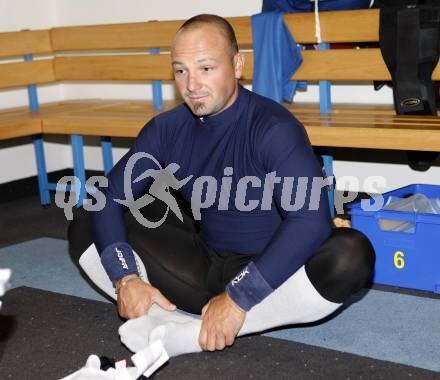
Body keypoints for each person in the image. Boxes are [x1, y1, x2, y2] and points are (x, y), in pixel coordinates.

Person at [68, 14, 375, 356]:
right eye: (180, 70)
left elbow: (309, 220)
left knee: (350, 255)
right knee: (85, 221)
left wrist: (238, 297)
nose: (192, 84)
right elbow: (108, 199)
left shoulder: (273, 127)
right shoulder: (166, 130)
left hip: (275, 274)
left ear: (237, 64)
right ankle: (173, 312)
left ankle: (192, 332)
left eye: (206, 68)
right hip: (204, 267)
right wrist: (126, 278)